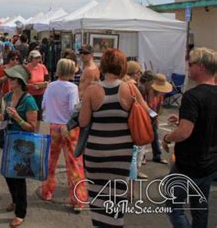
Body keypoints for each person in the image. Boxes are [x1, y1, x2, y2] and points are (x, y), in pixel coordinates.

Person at [79, 49, 149, 227]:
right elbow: (148, 113)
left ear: (103, 66)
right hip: (121, 152)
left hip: (95, 152)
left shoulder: (92, 90)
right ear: (123, 66)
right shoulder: (130, 88)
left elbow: (83, 121)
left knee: (97, 195)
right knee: (117, 194)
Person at [162, 47, 217, 228]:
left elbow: (184, 132)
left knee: (172, 205)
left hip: (189, 164)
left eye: (190, 63)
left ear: (200, 67)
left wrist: (168, 137)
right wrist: (184, 118)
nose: (188, 67)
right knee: (200, 207)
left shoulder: (192, 96)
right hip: (209, 163)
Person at [39, 59, 87, 211]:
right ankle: (77, 199)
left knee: (51, 160)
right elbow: (73, 110)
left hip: (54, 126)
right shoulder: (72, 87)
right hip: (69, 127)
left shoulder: (51, 86)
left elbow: (43, 105)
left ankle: (47, 191)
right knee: (74, 163)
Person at [0, 65, 38, 227]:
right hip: (9, 139)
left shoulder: (28, 100)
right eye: (8, 78)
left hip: (22, 143)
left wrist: (17, 117)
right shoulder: (8, 96)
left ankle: (21, 212)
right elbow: (3, 117)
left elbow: (32, 127)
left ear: (20, 81)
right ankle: (15, 201)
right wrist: (0, 119)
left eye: (12, 79)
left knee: (19, 177)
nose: (9, 81)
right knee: (8, 173)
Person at [25, 50, 48, 124]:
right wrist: (31, 86)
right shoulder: (26, 68)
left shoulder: (43, 67)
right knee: (30, 113)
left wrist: (44, 84)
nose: (38, 60)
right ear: (31, 58)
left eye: (39, 58)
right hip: (30, 94)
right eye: (36, 58)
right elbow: (23, 83)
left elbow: (47, 79)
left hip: (40, 94)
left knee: (39, 113)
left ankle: (39, 129)